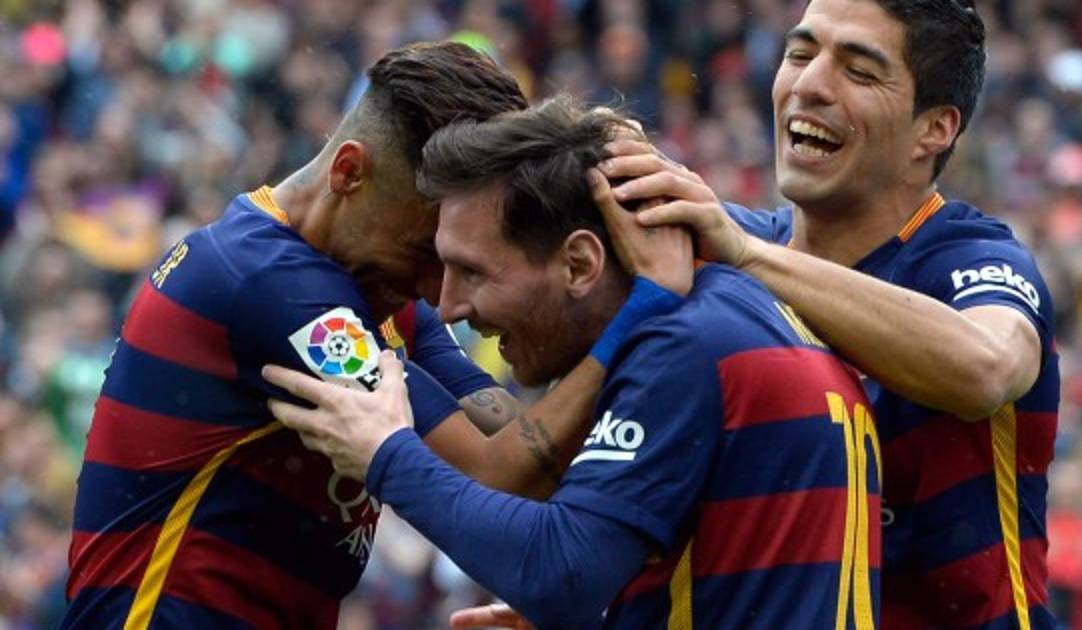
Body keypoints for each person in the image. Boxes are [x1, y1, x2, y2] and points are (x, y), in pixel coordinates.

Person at [63, 42, 677, 629]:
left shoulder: (372, 288)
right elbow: (499, 473)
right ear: (349, 171)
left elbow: (518, 442)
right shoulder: (271, 287)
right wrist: (648, 309)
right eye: (424, 251)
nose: (439, 294)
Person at [263, 97, 882, 629]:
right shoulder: (735, 306)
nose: (448, 306)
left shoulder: (683, 345)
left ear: (580, 264)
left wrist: (386, 454)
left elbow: (560, 573)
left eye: (472, 271)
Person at [598, 1, 1060, 628]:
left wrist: (747, 256)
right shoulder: (715, 249)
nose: (810, 84)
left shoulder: (969, 259)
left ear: (934, 129)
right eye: (798, 53)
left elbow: (986, 368)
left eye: (860, 72)